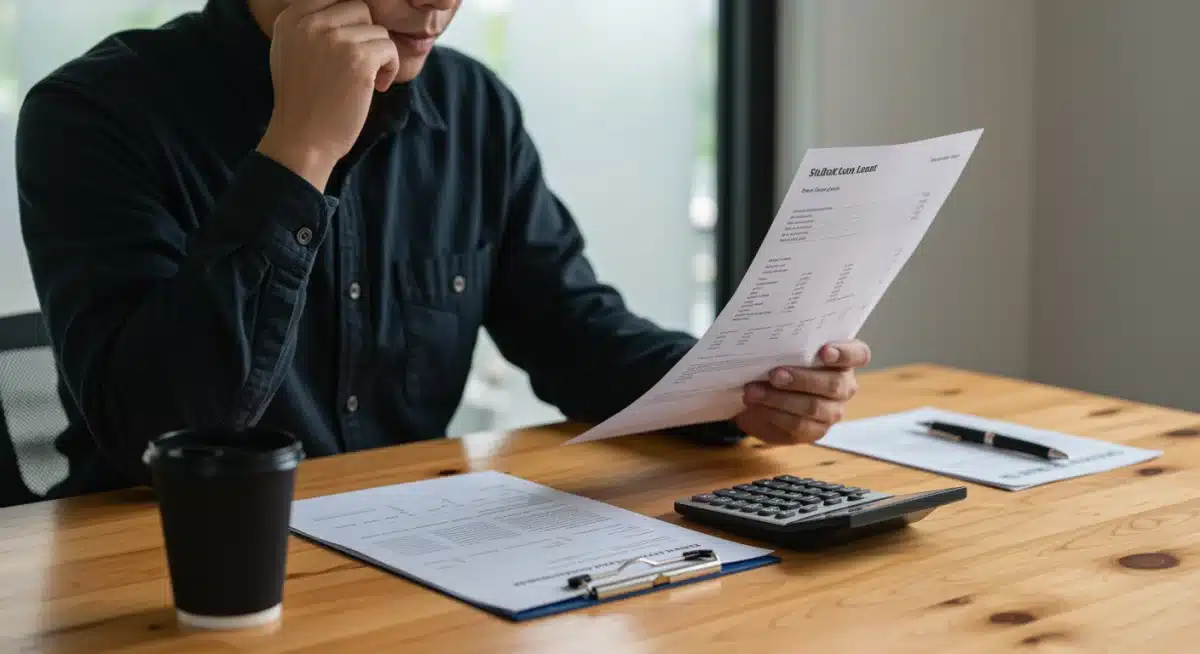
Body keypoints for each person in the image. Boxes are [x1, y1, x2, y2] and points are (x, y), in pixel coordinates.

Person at [15, 0, 872, 499]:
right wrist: (299, 151)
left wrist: (738, 388)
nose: (439, 1)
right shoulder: (95, 113)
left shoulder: (472, 109)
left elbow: (573, 331)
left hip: (405, 561)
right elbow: (157, 434)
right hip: (163, 571)